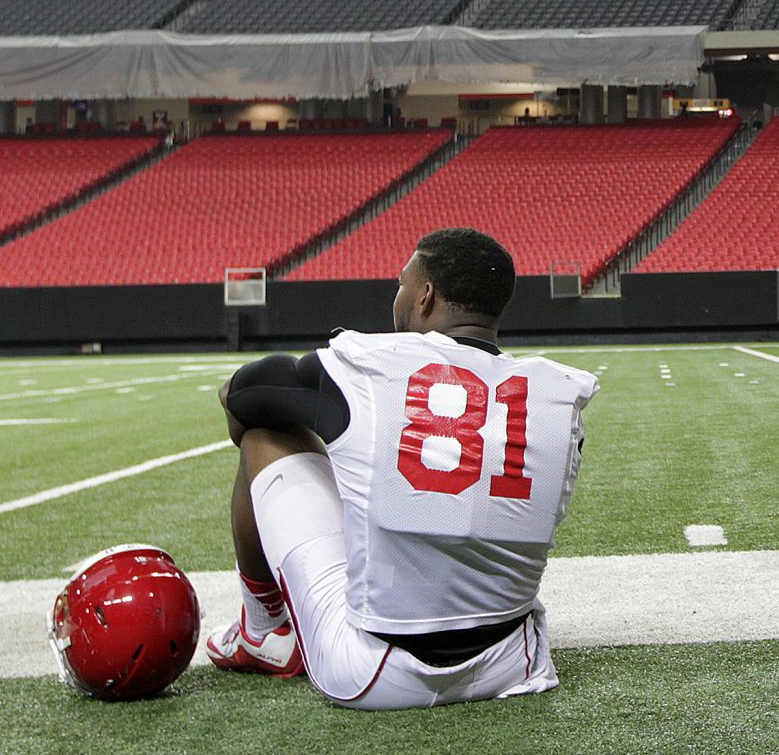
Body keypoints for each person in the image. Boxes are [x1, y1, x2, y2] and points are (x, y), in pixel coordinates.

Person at [210, 228, 597, 711]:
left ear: (426, 295)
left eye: (402, 284)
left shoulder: (370, 365)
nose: (399, 295)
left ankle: (261, 629)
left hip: (374, 670)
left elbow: (241, 395)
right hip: (511, 663)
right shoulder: (558, 393)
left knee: (263, 434)